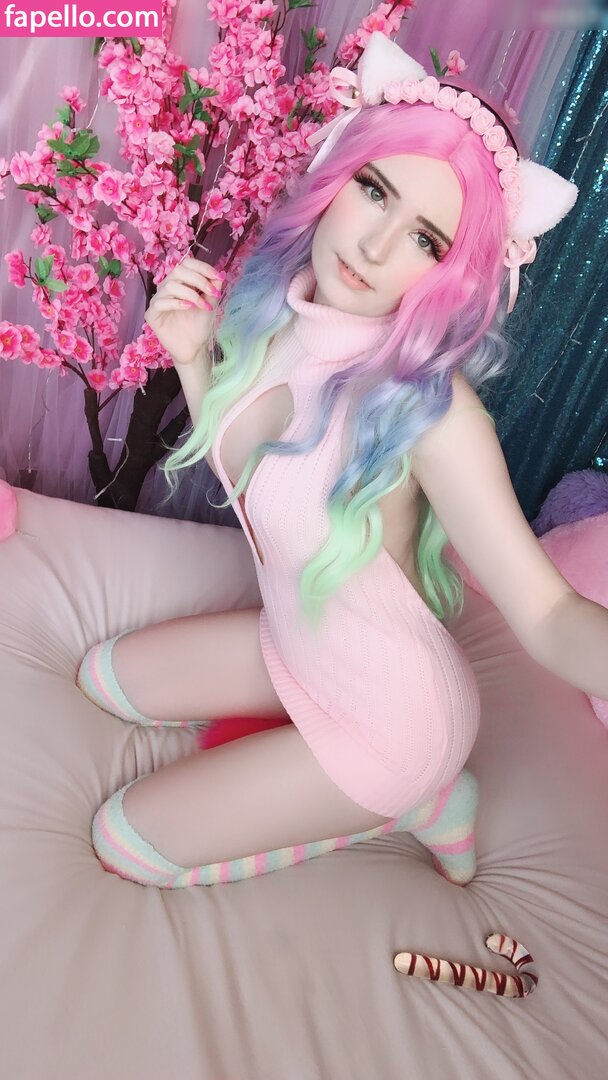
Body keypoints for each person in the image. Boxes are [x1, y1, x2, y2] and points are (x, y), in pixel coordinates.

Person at [77, 34, 606, 891]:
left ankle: (422, 801)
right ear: (336, 174)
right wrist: (194, 356)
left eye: (426, 238)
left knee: (122, 842)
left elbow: (548, 614)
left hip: (394, 724)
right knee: (105, 679)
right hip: (298, 643)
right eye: (375, 190)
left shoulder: (434, 413)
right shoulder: (284, 315)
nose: (375, 246)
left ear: (453, 275)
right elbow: (258, 473)